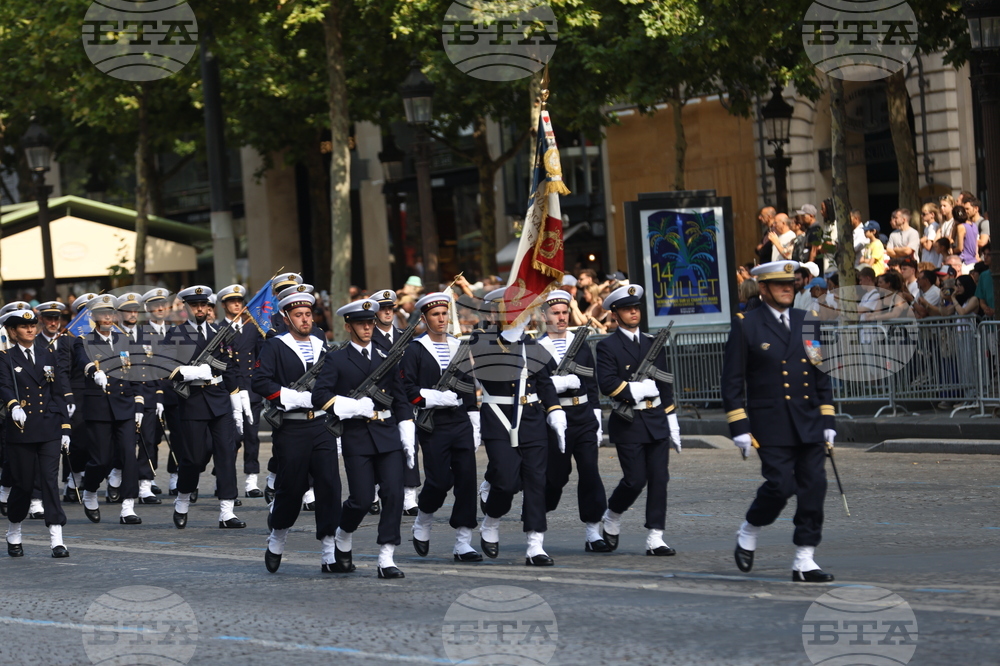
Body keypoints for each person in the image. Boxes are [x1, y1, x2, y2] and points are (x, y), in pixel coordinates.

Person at [721, 260, 837, 583]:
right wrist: (739, 427)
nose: (788, 288)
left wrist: (828, 418)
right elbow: (732, 381)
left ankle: (804, 558)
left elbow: (820, 375)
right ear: (763, 288)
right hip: (770, 423)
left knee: (814, 486)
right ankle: (750, 527)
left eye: (792, 283)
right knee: (781, 486)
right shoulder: (747, 324)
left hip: (809, 420)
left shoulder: (808, 321)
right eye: (780, 284)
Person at [312, 297, 413, 579]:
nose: (368, 327)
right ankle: (343, 533)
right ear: (348, 326)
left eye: (370, 322)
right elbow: (319, 396)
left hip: (387, 434)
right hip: (357, 435)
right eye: (361, 323)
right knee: (362, 499)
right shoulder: (336, 358)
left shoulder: (386, 356)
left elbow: (400, 398)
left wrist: (407, 430)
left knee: (393, 494)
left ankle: (386, 557)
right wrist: (354, 406)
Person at [471, 300, 565, 566]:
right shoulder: (483, 339)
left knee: (536, 481)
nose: (521, 317)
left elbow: (545, 384)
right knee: (506, 481)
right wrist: (509, 336)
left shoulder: (534, 346)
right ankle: (491, 520)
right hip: (499, 418)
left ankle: (535, 545)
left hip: (533, 418)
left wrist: (555, 410)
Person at [256, 285, 342, 574]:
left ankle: (330, 551)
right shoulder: (275, 345)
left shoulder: (321, 342)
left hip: (321, 425)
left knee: (329, 486)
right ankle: (278, 536)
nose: (305, 319)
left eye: (308, 314)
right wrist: (294, 398)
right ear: (286, 317)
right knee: (291, 489)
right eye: (299, 315)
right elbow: (262, 382)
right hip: (291, 428)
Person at [595, 285, 680, 557]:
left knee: (659, 479)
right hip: (629, 420)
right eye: (627, 308)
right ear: (615, 314)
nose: (634, 311)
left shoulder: (653, 342)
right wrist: (635, 390)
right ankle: (612, 514)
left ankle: (656, 537)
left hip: (656, 419)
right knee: (634, 480)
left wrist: (672, 418)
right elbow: (607, 383)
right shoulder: (607, 346)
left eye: (636, 307)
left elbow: (665, 385)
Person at [403, 292, 483, 562]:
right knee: (438, 481)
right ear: (424, 318)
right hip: (432, 422)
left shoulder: (459, 346)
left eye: (444, 313)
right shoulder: (415, 349)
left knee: (466, 480)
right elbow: (408, 389)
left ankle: (463, 542)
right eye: (435, 314)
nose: (441, 319)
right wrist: (435, 397)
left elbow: (469, 384)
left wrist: (474, 419)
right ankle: (423, 519)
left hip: (460, 420)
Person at [164, 286, 246, 530]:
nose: (200, 309)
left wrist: (237, 401)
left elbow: (230, 367)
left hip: (219, 399)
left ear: (209, 307)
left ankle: (226, 511)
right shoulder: (175, 334)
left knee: (226, 454)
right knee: (193, 458)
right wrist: (192, 372)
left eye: (204, 305)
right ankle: (182, 499)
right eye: (194, 305)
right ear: (187, 308)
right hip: (192, 401)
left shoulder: (220, 332)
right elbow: (166, 368)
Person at [537, 290, 610, 552]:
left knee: (590, 471)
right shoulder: (536, 348)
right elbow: (533, 387)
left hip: (583, 417)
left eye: (565, 312)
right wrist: (555, 384)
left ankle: (593, 532)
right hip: (554, 419)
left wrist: (597, 418)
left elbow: (591, 384)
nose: (561, 317)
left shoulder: (579, 343)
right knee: (556, 476)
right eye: (555, 313)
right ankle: (537, 512)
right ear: (544, 316)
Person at [0, 308, 71, 558]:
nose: (30, 329)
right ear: (12, 331)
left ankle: (57, 540)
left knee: (50, 482)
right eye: (22, 326)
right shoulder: (5, 357)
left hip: (49, 426)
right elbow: (5, 386)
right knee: (23, 484)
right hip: (22, 428)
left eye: (32, 325)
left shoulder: (47, 353)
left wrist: (65, 427)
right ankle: (14, 530)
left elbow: (58, 392)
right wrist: (13, 405)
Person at [74, 295, 143, 525]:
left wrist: (139, 404)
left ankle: (128, 506)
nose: (107, 316)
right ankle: (91, 491)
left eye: (110, 312)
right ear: (92, 316)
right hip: (99, 407)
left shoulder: (125, 340)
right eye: (102, 312)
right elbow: (83, 360)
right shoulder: (83, 339)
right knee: (100, 460)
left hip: (124, 406)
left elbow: (134, 374)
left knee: (128, 457)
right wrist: (94, 372)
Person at [116, 292, 164, 506]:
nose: (132, 313)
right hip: (123, 397)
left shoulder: (148, 335)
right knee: (123, 443)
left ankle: (145, 484)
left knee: (148, 440)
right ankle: (117, 479)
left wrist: (159, 395)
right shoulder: (114, 335)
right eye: (127, 310)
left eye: (135, 310)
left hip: (147, 394)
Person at [216, 285, 263, 499]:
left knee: (252, 437)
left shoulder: (252, 328)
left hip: (251, 390)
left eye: (240, 301)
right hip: (230, 392)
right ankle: (224, 479)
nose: (237, 304)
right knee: (232, 439)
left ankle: (251, 480)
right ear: (224, 305)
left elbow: (261, 358)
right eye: (232, 301)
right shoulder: (218, 331)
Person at [954, 205, 979, 274]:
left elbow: (960, 248)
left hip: (965, 261)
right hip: (974, 260)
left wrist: (951, 250)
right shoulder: (974, 225)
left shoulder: (961, 227)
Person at [919, 203, 943, 268]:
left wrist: (922, 241)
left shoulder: (933, 226)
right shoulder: (927, 227)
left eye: (924, 214)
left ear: (932, 214)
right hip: (926, 259)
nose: (922, 216)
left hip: (931, 260)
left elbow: (928, 247)